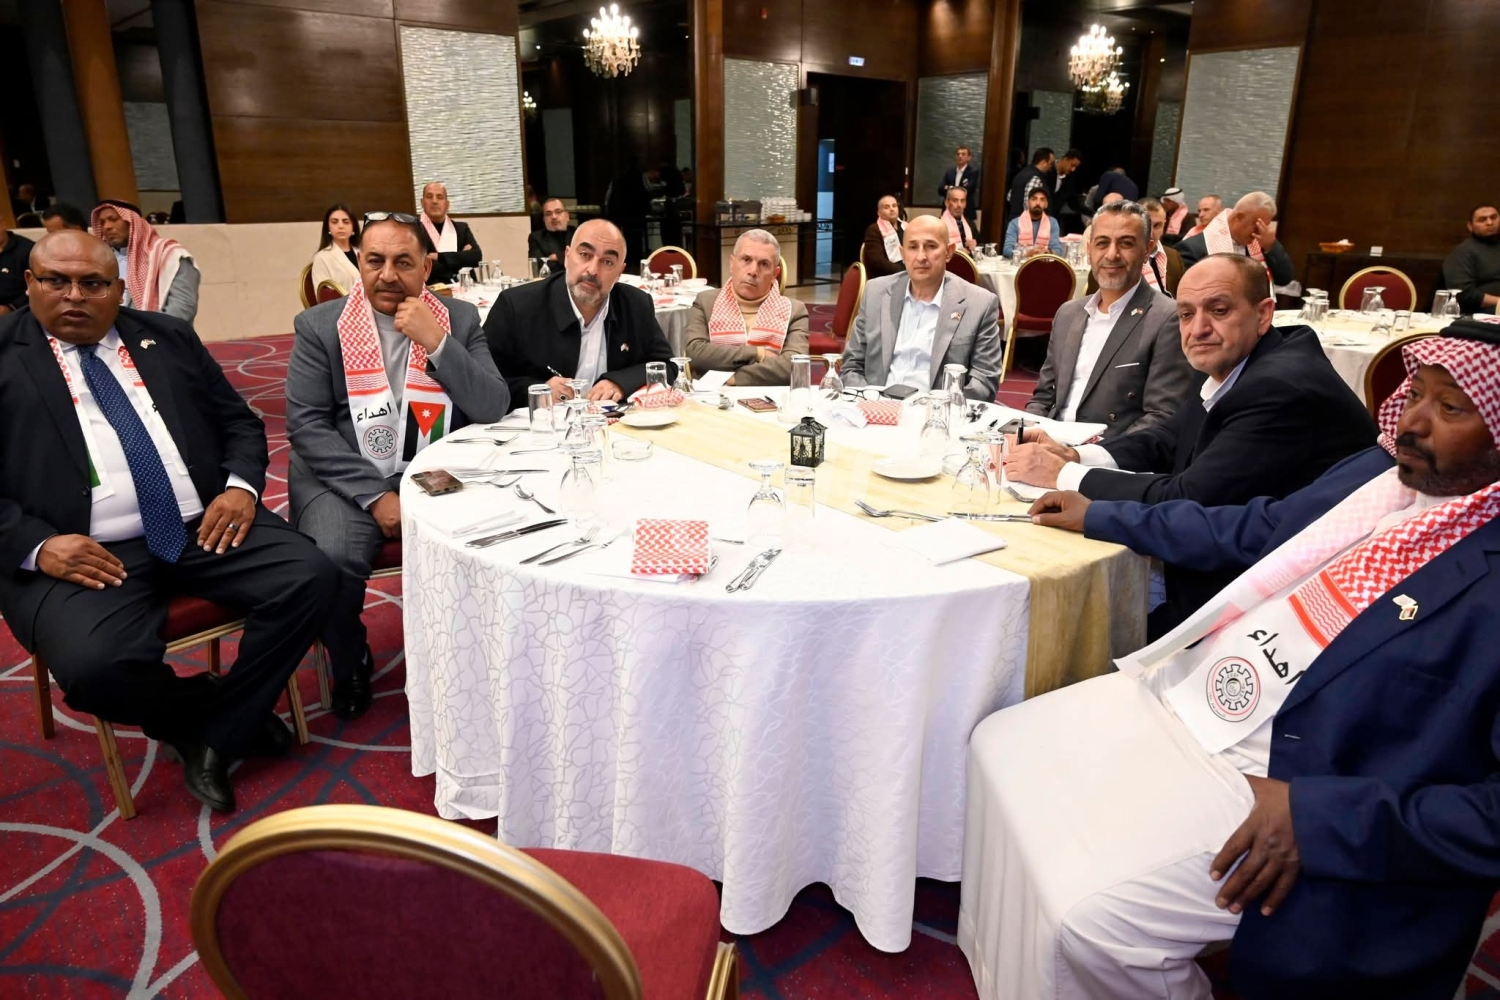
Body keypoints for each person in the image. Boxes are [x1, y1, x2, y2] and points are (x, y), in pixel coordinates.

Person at [964, 318, 1500, 1000]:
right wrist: (1100, 512)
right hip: (1209, 688)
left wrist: (1321, 815)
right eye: (1415, 393)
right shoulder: (1384, 473)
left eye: (1450, 408)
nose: (1412, 423)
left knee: (1092, 922)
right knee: (999, 739)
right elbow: (1260, 528)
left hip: (1301, 777)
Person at [0, 231, 338, 812]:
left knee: (312, 576)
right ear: (29, 284)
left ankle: (217, 733)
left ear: (119, 288)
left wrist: (239, 490)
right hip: (80, 551)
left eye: (93, 283)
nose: (74, 295)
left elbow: (239, 423)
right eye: (57, 281)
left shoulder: (167, 337)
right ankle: (205, 714)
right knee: (93, 667)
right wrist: (39, 545)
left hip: (201, 523)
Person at [1005, 254, 1377, 635]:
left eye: (1218, 310)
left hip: (1287, 602)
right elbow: (1170, 437)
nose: (1198, 328)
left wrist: (1065, 475)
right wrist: (1076, 454)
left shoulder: (1278, 387)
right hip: (1247, 558)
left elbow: (1187, 498)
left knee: (1072, 622)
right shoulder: (1237, 358)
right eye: (1186, 314)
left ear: (1264, 314)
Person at [286, 213, 507, 720]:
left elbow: (492, 407)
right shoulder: (319, 326)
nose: (387, 275)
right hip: (341, 474)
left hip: (433, 464)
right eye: (374, 261)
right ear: (358, 264)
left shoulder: (459, 319)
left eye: (403, 262)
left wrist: (438, 342)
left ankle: (477, 650)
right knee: (332, 558)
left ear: (426, 268)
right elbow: (307, 426)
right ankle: (350, 659)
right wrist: (377, 496)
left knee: (498, 531)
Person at [1026, 200, 1191, 440]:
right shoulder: (1068, 314)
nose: (1112, 255)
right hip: (1049, 443)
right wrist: (1025, 434)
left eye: (1126, 243)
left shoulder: (1167, 319)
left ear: (1147, 249)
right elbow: (1043, 398)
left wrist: (1087, 455)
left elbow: (1161, 416)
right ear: (1089, 249)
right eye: (1102, 243)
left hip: (1110, 452)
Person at [485, 218, 676, 407]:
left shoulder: (635, 304)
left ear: (620, 271)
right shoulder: (516, 306)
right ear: (567, 256)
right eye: (585, 255)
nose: (592, 270)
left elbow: (666, 366)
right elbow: (484, 380)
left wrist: (620, 382)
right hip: (540, 421)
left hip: (613, 420)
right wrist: (538, 391)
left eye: (607, 262)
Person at [841, 215, 1002, 401]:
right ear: (902, 254)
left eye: (930, 246)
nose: (920, 257)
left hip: (937, 411)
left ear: (949, 252)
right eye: (912, 247)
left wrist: (942, 409)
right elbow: (852, 365)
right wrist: (869, 402)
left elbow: (984, 382)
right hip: (875, 406)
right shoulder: (876, 292)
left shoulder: (979, 304)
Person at [684, 229, 809, 386]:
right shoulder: (706, 302)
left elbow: (795, 365)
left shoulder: (795, 311)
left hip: (769, 396)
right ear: (732, 263)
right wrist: (758, 353)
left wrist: (736, 378)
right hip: (711, 395)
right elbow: (695, 353)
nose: (753, 271)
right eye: (746, 260)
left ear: (775, 273)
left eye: (764, 264)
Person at [91, 201, 200, 322]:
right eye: (102, 222)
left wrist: (145, 330)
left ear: (133, 222)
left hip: (158, 331)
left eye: (113, 219)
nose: (107, 226)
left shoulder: (170, 255)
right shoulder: (99, 262)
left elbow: (182, 308)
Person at [1176, 191, 1294, 286]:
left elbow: (1284, 279)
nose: (1259, 232)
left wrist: (1271, 246)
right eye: (1257, 225)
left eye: (1264, 226)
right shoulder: (1193, 248)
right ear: (1239, 218)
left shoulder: (1260, 242)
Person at [418, 182, 482, 286]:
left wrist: (439, 257)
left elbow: (476, 257)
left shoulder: (461, 228)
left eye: (439, 197)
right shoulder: (414, 230)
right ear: (422, 202)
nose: (434, 201)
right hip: (432, 289)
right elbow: (423, 267)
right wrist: (461, 258)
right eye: (429, 197)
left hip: (466, 287)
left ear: (447, 204)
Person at [1441, 203, 1500, 314]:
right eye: (1482, 219)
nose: (1489, 222)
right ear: (1470, 226)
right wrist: (1499, 302)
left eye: (1493, 217)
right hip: (1481, 313)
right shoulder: (1462, 252)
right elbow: (1463, 294)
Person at [309, 203, 361, 295]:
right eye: (334, 222)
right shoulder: (322, 258)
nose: (340, 226)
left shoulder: (363, 252)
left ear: (353, 227)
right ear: (328, 227)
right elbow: (324, 296)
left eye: (346, 222)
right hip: (342, 304)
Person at [1138, 197, 1185, 296]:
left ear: (1164, 225)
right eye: (1145, 225)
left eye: (1157, 225)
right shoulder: (1121, 258)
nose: (1150, 233)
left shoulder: (1173, 257)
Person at [1002, 187, 1065, 258]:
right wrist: (1026, 254)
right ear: (1027, 203)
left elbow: (1058, 250)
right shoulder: (1015, 223)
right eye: (1034, 199)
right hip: (1021, 263)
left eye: (1042, 200)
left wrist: (1046, 253)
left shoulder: (1052, 223)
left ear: (1046, 204)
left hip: (1043, 262)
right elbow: (1006, 250)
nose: (1038, 203)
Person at [862, 194, 906, 279]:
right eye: (886, 207)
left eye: (894, 206)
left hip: (907, 271)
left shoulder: (906, 227)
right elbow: (877, 261)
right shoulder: (874, 230)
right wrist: (903, 272)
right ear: (879, 213)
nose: (892, 209)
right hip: (886, 275)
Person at [1007, 147, 1055, 223]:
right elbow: (1029, 206)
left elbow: (1009, 196)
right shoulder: (1035, 178)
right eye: (1051, 164)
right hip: (1026, 224)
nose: (1051, 167)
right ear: (1043, 162)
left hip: (1014, 221)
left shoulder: (1022, 173)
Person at [527, 198, 574, 275]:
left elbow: (584, 260)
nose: (554, 217)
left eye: (558, 212)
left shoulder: (578, 233)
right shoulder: (536, 238)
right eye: (548, 214)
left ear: (567, 216)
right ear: (544, 219)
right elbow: (539, 267)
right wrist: (567, 258)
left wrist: (557, 257)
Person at [939, 145, 980, 224]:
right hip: (948, 210)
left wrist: (950, 188)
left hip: (966, 211)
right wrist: (957, 188)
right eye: (958, 154)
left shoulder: (973, 172)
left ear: (969, 158)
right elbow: (940, 189)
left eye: (963, 154)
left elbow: (967, 190)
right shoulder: (950, 172)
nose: (960, 156)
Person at [1052, 149, 1087, 235]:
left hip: (1053, 220)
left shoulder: (1069, 179)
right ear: (1065, 159)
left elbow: (1073, 202)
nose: (1073, 169)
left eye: (1075, 167)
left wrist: (1091, 213)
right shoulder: (1048, 170)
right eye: (1072, 165)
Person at [0, 227, 34, 316]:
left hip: (21, 312)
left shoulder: (28, 250)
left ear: (2, 224)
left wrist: (10, 308)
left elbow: (38, 286)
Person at [943, 187, 981, 254]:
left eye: (962, 201)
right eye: (955, 201)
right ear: (947, 203)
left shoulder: (970, 224)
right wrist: (957, 252)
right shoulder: (939, 224)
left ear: (965, 204)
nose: (959, 205)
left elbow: (982, 243)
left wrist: (975, 244)